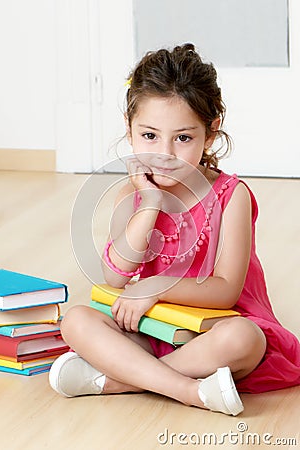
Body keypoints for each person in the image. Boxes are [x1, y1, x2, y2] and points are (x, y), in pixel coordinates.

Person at [49, 44, 300, 415]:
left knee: (245, 339)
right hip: (154, 329)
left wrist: (154, 288)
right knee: (75, 321)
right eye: (149, 136)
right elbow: (114, 276)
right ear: (129, 127)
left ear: (210, 133)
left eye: (183, 138)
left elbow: (226, 290)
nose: (164, 153)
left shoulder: (232, 196)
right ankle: (190, 389)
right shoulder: (129, 194)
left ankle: (123, 381)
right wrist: (149, 203)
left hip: (214, 332)